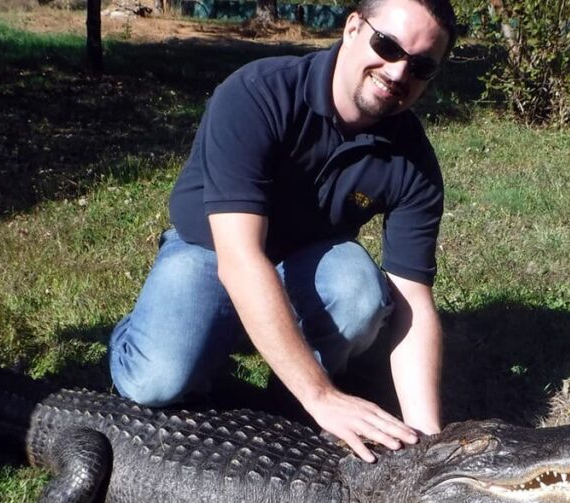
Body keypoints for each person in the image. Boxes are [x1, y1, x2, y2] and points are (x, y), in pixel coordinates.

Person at [108, 0, 458, 463]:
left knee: (361, 292)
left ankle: (285, 394)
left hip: (303, 258)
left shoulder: (413, 160)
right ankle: (128, 342)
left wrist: (428, 444)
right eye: (388, 46)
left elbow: (412, 302)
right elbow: (241, 259)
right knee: (156, 382)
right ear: (353, 27)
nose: (398, 72)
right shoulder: (258, 94)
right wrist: (321, 396)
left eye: (420, 65)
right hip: (212, 251)